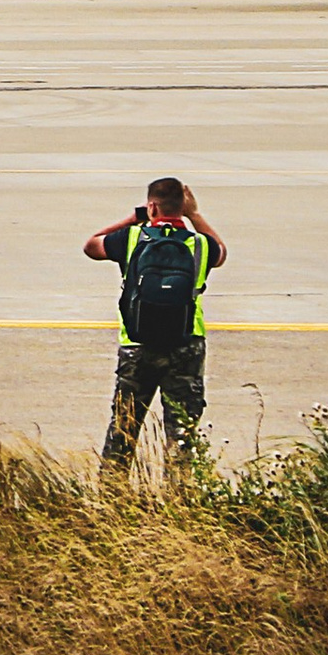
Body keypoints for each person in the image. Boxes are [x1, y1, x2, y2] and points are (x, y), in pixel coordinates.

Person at [83, 176, 224, 467]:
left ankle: (112, 498)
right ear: (182, 206)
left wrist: (134, 217)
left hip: (137, 344)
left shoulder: (132, 238)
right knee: (182, 436)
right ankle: (179, 502)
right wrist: (194, 215)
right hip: (186, 345)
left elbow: (91, 246)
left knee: (123, 431)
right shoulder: (200, 244)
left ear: (152, 207)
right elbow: (221, 252)